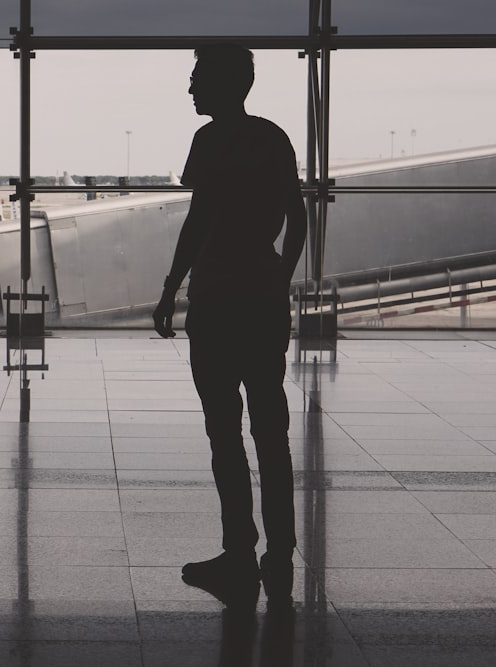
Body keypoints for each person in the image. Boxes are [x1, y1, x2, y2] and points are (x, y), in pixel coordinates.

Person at [153, 43, 307, 607]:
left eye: (197, 78)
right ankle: (280, 549)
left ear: (223, 83)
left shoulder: (211, 141)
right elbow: (297, 213)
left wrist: (171, 288)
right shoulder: (273, 136)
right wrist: (279, 276)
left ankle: (239, 549)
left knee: (224, 430)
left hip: (218, 300)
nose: (190, 88)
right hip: (261, 298)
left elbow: (199, 221)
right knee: (271, 428)